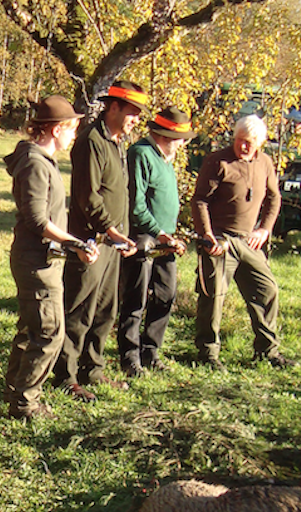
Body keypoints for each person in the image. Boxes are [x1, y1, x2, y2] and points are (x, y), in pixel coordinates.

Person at [2, 95, 97, 420]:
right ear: (57, 129)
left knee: (31, 327)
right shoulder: (34, 163)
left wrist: (71, 245)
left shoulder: (41, 160)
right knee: (49, 333)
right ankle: (27, 403)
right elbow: (37, 220)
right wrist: (75, 243)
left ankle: (14, 387)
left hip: (45, 259)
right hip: (37, 261)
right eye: (71, 129)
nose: (73, 136)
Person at [54, 79, 146, 400]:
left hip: (112, 242)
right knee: (79, 308)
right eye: (131, 111)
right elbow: (87, 196)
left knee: (106, 310)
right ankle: (65, 375)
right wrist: (109, 228)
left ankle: (92, 369)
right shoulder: (91, 140)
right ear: (113, 107)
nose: (135, 118)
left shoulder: (116, 142)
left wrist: (121, 233)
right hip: (90, 242)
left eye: (137, 112)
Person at [191, 114, 293, 369]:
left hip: (249, 242)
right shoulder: (218, 161)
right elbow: (200, 200)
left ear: (259, 142)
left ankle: (267, 350)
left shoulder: (265, 163)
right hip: (220, 240)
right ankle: (208, 353)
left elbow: (274, 198)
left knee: (267, 290)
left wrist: (265, 229)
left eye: (248, 142)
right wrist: (207, 233)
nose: (243, 146)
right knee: (213, 296)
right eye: (239, 140)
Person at [117, 107, 196, 377]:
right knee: (135, 297)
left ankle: (151, 351)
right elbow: (136, 205)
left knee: (165, 294)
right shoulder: (141, 154)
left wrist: (169, 235)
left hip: (165, 239)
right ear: (164, 135)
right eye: (180, 137)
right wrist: (158, 232)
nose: (183, 143)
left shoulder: (166, 158)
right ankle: (129, 357)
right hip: (143, 237)